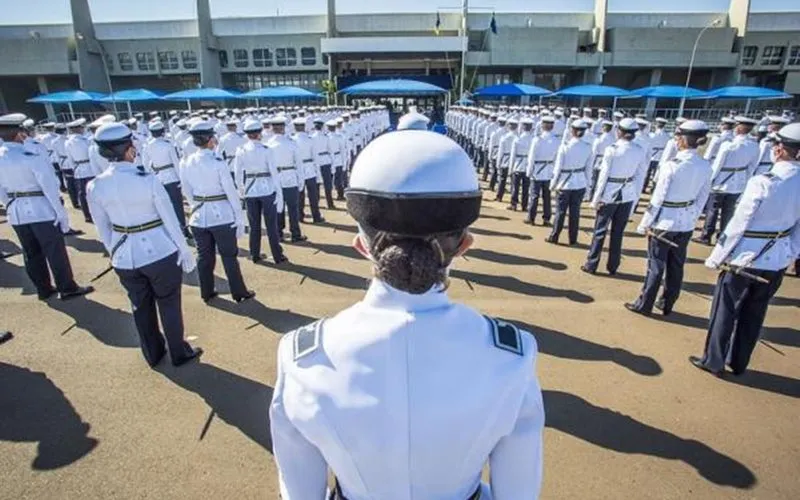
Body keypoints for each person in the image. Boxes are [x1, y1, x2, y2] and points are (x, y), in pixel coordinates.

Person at [269, 129, 544, 499]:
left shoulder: (302, 356)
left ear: (361, 246)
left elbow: (300, 492)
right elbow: (519, 492)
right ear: (464, 245)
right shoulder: (512, 355)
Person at [86, 123, 202, 367]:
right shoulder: (147, 179)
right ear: (128, 150)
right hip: (159, 251)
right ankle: (178, 352)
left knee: (140, 305)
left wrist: (114, 252)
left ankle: (153, 353)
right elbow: (169, 219)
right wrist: (183, 248)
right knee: (169, 303)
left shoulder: (95, 185)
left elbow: (103, 227)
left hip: (124, 254)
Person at [689, 122, 800, 377]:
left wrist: (717, 257)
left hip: (745, 257)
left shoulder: (763, 182)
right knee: (755, 313)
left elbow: (739, 224)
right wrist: (789, 254)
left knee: (725, 311)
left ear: (781, 150)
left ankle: (714, 360)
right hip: (777, 258)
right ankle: (738, 362)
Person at [0, 113, 94, 301]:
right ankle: (66, 287)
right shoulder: (31, 156)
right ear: (20, 134)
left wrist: (9, 204)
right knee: (54, 250)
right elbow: (50, 188)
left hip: (17, 211)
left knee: (31, 252)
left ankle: (43, 288)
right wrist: (61, 215)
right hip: (40, 209)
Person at [625, 120, 712, 316]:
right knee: (676, 265)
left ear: (681, 140)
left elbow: (658, 197)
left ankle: (645, 303)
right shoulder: (705, 165)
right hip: (686, 223)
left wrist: (645, 223)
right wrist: (692, 217)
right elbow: (702, 198)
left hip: (664, 221)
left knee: (655, 265)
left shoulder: (672, 166)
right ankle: (667, 303)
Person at [179, 120, 255, 304]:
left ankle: (207, 291)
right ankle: (239, 292)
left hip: (198, 216)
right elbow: (230, 192)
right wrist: (239, 217)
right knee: (229, 257)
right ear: (211, 139)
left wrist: (197, 204)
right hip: (221, 215)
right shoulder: (217, 162)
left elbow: (186, 190)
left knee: (204, 257)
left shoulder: (186, 162)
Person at [582, 118, 648, 275]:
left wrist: (596, 199)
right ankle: (613, 265)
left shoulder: (612, 149)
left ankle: (592, 263)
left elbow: (603, 177)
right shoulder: (639, 150)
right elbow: (640, 177)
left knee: (600, 231)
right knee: (618, 233)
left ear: (619, 131)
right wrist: (635, 199)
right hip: (628, 194)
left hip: (610, 193)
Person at [695, 116, 759, 246]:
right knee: (728, 212)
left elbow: (717, 165)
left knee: (712, 210)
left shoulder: (728, 145)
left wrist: (710, 180)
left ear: (740, 128)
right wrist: (745, 182)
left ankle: (706, 235)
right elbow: (752, 167)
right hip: (738, 184)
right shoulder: (754, 146)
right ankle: (722, 237)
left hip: (721, 182)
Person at [234, 119, 287, 265]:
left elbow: (238, 174)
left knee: (254, 225)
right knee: (271, 225)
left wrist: (241, 191)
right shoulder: (266, 150)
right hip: (266, 189)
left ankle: (255, 254)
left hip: (250, 190)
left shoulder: (241, 150)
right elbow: (274, 173)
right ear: (259, 134)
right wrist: (279, 192)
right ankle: (277, 255)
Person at [141, 119, 191, 238]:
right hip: (171, 177)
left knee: (163, 207)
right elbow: (176, 163)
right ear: (162, 131)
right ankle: (183, 229)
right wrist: (181, 180)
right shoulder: (168, 145)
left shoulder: (147, 146)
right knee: (177, 205)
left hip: (157, 178)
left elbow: (146, 165)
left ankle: (169, 231)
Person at [547, 119, 592, 245]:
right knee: (575, 213)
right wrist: (588, 187)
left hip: (565, 183)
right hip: (580, 183)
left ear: (572, 131)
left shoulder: (565, 146)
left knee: (560, 212)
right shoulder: (588, 147)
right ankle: (573, 239)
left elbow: (558, 169)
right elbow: (589, 170)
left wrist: (553, 184)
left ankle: (554, 236)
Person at [267, 116, 307, 242]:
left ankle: (279, 233)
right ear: (283, 128)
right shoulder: (291, 143)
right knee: (293, 208)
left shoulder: (268, 145)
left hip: (275, 179)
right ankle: (295, 233)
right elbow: (299, 164)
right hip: (290, 178)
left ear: (272, 128)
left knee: (278, 208)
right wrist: (301, 181)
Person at [525, 115, 559, 226]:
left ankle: (531, 217)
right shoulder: (556, 140)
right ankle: (546, 218)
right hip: (549, 171)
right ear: (552, 126)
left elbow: (531, 157)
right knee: (547, 197)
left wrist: (529, 171)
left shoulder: (537, 139)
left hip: (537, 171)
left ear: (542, 126)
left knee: (534, 195)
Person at [64, 118, 97, 222]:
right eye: (81, 128)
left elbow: (70, 160)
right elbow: (92, 155)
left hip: (79, 169)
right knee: (92, 193)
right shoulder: (86, 141)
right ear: (78, 129)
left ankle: (86, 215)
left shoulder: (68, 142)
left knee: (82, 194)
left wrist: (75, 168)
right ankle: (94, 213)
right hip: (89, 168)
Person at [293, 118, 324, 224]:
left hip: (297, 170)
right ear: (304, 127)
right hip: (310, 168)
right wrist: (318, 172)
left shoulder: (292, 140)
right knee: (313, 195)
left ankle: (300, 216)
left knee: (299, 195)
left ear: (295, 127)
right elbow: (316, 157)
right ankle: (316, 216)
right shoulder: (310, 140)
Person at [508, 117, 534, 212]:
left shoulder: (517, 139)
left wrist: (510, 169)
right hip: (527, 166)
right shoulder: (534, 139)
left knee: (515, 187)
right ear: (531, 127)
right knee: (526, 188)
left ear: (523, 127)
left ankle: (514, 204)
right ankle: (524, 205)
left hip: (518, 165)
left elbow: (513, 155)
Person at [311, 118, 335, 209]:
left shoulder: (311, 138)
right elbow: (330, 150)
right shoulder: (326, 137)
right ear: (322, 127)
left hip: (316, 162)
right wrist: (333, 164)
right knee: (327, 183)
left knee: (316, 184)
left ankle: (316, 204)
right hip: (325, 160)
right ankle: (330, 203)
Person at [494, 118, 518, 202]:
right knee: (514, 182)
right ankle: (513, 199)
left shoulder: (504, 137)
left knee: (502, 179)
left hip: (505, 159)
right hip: (516, 161)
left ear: (508, 126)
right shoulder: (518, 137)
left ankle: (499, 196)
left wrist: (498, 163)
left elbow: (500, 152)